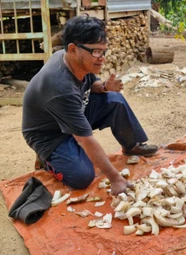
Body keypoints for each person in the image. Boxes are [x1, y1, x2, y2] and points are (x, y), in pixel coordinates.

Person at [22, 15, 158, 195]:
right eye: (95, 52)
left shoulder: (75, 61)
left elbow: (90, 86)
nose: (101, 58)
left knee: (114, 99)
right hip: (48, 134)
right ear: (72, 49)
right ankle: (46, 160)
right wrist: (116, 178)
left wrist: (104, 87)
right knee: (82, 177)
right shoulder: (60, 87)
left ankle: (130, 145)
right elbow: (85, 139)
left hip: (73, 112)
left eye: (103, 51)